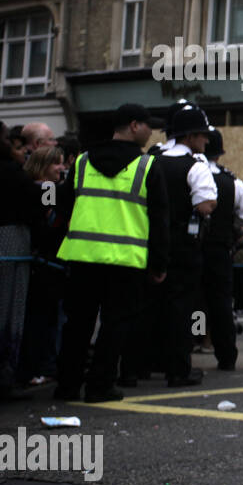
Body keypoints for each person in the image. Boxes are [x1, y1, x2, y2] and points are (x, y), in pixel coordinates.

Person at [54, 105, 170, 402]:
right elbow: (159, 220)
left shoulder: (81, 162)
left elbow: (63, 207)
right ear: (134, 126)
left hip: (82, 257)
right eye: (147, 125)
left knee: (77, 324)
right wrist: (159, 263)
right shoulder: (147, 166)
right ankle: (100, 386)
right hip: (125, 261)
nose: (151, 131)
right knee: (114, 324)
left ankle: (67, 386)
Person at [143, 104, 217, 387]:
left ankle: (139, 367)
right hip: (183, 247)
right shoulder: (195, 165)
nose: (206, 141)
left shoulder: (151, 159)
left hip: (148, 242)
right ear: (190, 136)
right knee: (181, 308)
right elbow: (206, 205)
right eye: (202, 135)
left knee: (148, 305)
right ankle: (178, 369)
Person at [199, 128, 243, 370]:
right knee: (221, 302)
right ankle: (226, 355)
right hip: (219, 249)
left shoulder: (186, 171)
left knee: (193, 301)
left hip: (189, 248)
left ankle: (194, 343)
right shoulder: (231, 181)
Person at [17, 146, 70, 388]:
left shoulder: (28, 188)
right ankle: (45, 366)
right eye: (55, 164)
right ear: (42, 166)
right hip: (47, 264)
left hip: (41, 263)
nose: (61, 168)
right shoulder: (47, 189)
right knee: (46, 320)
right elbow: (49, 218)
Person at [0, 125, 46, 400]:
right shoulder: (14, 175)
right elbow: (36, 209)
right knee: (10, 311)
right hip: (11, 246)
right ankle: (6, 375)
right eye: (12, 143)